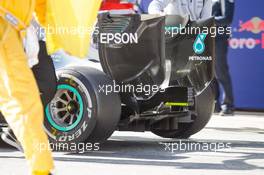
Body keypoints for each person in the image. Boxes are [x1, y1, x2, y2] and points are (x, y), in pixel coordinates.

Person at [0, 1, 54, 174]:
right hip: (5, 29)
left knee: (25, 99)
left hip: (13, 31)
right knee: (24, 102)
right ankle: (41, 169)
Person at [212, 0, 235, 116]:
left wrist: (209, 21)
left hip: (219, 39)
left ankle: (228, 105)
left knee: (221, 72)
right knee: (210, 73)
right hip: (206, 37)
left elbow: (227, 18)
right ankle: (214, 105)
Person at [148, 0, 212, 20]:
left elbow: (206, 20)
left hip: (193, 37)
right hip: (172, 34)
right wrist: (160, 15)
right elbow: (154, 5)